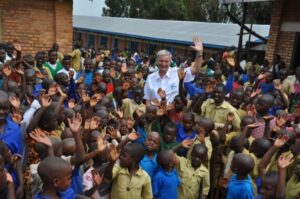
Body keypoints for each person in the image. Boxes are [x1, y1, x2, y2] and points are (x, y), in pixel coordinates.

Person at [144, 37, 203, 104]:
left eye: (166, 61)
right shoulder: (150, 78)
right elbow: (147, 100)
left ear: (170, 62)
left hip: (173, 112)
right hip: (155, 112)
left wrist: (199, 53)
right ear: (157, 61)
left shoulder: (177, 72)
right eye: (161, 61)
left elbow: (196, 69)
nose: (164, 64)